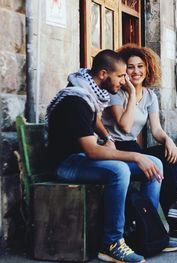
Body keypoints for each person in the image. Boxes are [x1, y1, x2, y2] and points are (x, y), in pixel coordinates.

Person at [47, 49, 167, 263]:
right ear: (103, 74)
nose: (125, 80)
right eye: (121, 75)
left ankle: (146, 229)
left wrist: (106, 135)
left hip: (82, 158)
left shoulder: (88, 93)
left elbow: (93, 121)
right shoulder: (76, 100)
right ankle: (112, 243)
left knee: (154, 163)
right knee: (119, 170)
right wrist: (134, 156)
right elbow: (92, 151)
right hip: (67, 164)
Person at [100, 44, 177, 248]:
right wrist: (132, 93)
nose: (136, 71)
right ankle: (162, 228)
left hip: (131, 146)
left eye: (140, 66)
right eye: (130, 67)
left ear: (147, 68)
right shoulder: (117, 92)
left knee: (166, 154)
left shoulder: (150, 96)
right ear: (123, 70)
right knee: (156, 165)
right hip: (114, 146)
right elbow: (124, 127)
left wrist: (169, 141)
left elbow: (156, 130)